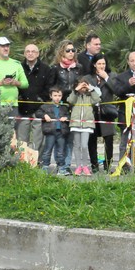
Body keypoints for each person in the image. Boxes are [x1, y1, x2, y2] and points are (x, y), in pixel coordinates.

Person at [48, 39, 83, 173]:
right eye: (68, 50)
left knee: (70, 137)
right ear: (62, 51)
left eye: (73, 50)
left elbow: (81, 83)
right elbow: (51, 87)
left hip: (74, 104)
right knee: (60, 136)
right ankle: (59, 164)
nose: (71, 53)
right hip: (60, 105)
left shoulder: (78, 68)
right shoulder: (55, 68)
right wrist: (58, 95)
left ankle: (67, 165)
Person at [112, 51, 135, 170]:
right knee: (125, 141)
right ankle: (124, 166)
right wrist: (128, 84)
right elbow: (117, 91)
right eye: (132, 61)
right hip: (126, 115)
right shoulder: (121, 76)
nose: (134, 63)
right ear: (128, 62)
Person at [0, 36, 29, 121]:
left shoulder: (16, 63)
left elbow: (25, 84)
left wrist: (15, 82)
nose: (6, 48)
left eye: (7, 46)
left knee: (12, 132)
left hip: (12, 105)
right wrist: (0, 83)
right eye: (3, 46)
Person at [84, 54, 117, 173]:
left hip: (107, 111)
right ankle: (94, 165)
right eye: (99, 64)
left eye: (103, 64)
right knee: (91, 139)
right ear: (94, 64)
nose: (102, 66)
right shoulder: (88, 77)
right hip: (92, 111)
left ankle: (108, 166)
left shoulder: (112, 75)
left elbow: (116, 89)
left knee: (108, 139)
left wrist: (106, 77)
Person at [16, 43, 51, 155]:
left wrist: (41, 100)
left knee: (38, 139)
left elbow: (49, 87)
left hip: (39, 108)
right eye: (28, 51)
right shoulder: (18, 67)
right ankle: (22, 163)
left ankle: (36, 162)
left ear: (38, 54)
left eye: (33, 51)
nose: (30, 54)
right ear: (24, 53)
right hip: (22, 108)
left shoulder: (46, 69)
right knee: (21, 139)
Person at [67, 76, 101, 176]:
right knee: (76, 145)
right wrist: (76, 90)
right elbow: (70, 100)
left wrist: (91, 89)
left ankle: (85, 166)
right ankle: (78, 166)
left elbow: (97, 100)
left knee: (84, 145)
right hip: (76, 123)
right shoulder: (75, 96)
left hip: (87, 124)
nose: (83, 88)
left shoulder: (89, 97)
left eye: (84, 86)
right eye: (81, 86)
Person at [36, 87, 69, 175]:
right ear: (51, 96)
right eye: (55, 95)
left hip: (61, 132)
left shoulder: (64, 107)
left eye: (59, 95)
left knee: (61, 152)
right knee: (47, 150)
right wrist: (44, 115)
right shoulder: (45, 106)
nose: (57, 97)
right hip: (50, 132)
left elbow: (69, 115)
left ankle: (61, 168)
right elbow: (38, 113)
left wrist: (66, 118)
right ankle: (45, 167)